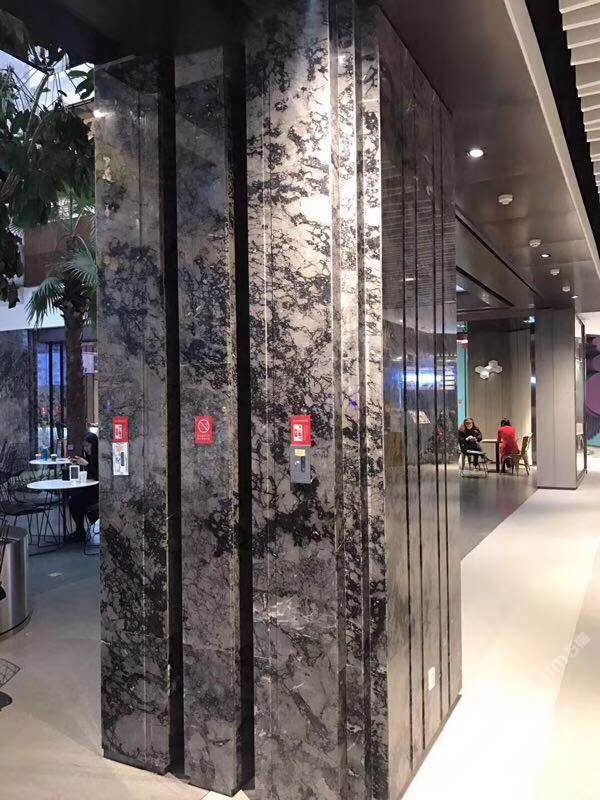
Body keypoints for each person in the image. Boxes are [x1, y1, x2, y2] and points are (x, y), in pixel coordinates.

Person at [68, 432, 99, 541]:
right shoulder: (88, 457)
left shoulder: (99, 457)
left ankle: (80, 531)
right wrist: (76, 466)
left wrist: (86, 465)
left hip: (98, 492)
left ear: (94, 445)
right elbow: (87, 475)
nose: (85, 449)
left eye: (87, 446)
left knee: (75, 500)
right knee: (73, 497)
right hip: (90, 489)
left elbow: (98, 476)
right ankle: (80, 530)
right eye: (84, 446)